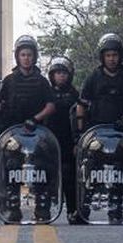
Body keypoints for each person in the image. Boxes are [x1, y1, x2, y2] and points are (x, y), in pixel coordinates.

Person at [75, 34, 123, 223]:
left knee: (119, 170)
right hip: (95, 132)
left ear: (120, 56)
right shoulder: (93, 78)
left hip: (119, 132)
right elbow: (81, 104)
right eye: (108, 55)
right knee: (90, 169)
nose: (112, 58)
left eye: (115, 55)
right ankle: (84, 208)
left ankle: (116, 209)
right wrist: (81, 132)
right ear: (102, 57)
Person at [0, 35, 56, 223]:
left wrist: (35, 119)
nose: (26, 58)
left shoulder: (42, 81)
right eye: (23, 54)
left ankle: (42, 207)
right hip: (13, 134)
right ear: (17, 57)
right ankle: (12, 207)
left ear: (34, 57)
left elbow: (51, 106)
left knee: (41, 169)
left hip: (37, 132)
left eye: (29, 55)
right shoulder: (9, 80)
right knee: (12, 169)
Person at [45, 56, 80, 222]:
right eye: (57, 73)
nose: (61, 76)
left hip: (68, 140)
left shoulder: (75, 94)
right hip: (48, 140)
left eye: (64, 73)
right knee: (44, 175)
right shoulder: (45, 92)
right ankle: (42, 209)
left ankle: (73, 210)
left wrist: (77, 141)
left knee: (69, 175)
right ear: (52, 75)